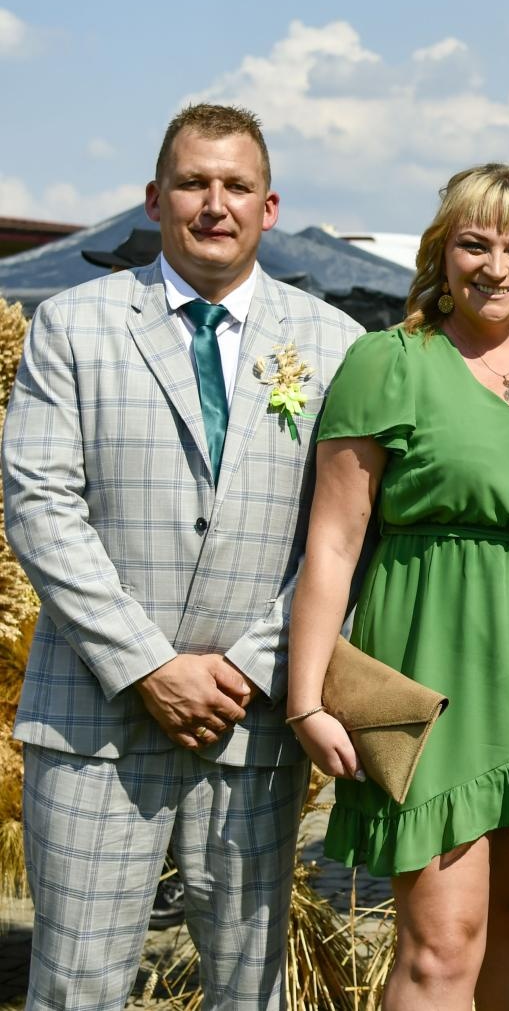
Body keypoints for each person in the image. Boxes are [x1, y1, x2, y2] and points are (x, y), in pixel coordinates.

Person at [3, 104, 364, 1009]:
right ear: (155, 198)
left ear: (269, 206)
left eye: (236, 185)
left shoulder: (334, 344)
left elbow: (348, 535)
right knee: (75, 989)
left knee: (252, 990)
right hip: (95, 725)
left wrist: (250, 668)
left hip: (252, 722)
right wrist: (150, 666)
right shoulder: (73, 326)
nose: (215, 203)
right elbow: (41, 507)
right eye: (195, 183)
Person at [286, 162, 509, 1011]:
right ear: (442, 251)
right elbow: (332, 544)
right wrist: (308, 697)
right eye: (475, 243)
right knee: (440, 945)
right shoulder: (387, 361)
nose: (496, 267)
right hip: (432, 670)